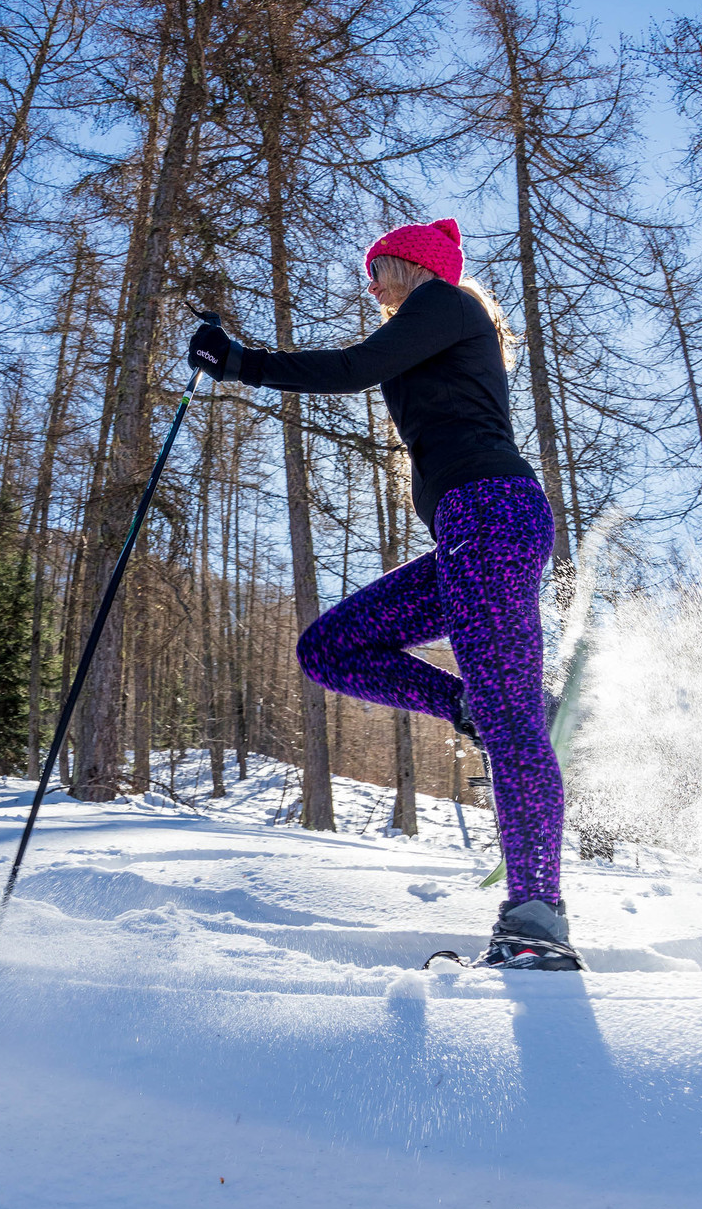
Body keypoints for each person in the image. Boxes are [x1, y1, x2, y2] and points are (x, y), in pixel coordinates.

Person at [188, 216, 580, 971]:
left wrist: (240, 362)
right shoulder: (435, 329)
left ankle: (537, 922)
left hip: (493, 516)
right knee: (330, 648)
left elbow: (351, 367)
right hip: (469, 530)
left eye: (379, 269)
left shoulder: (447, 303)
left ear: (413, 264)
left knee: (511, 721)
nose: (372, 286)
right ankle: (475, 704)